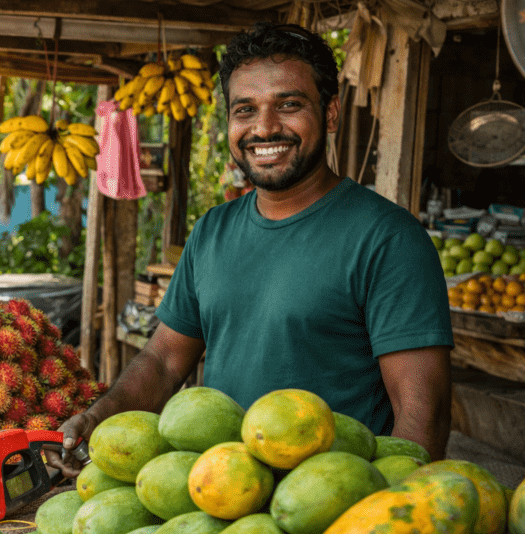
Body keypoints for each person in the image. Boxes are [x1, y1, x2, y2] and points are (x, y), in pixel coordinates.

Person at [56, 22, 453, 473]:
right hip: (225, 495)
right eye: (245, 110)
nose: (264, 128)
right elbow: (165, 360)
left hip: (329, 504)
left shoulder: (388, 239)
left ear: (331, 114)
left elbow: (423, 417)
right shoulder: (212, 230)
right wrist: (100, 417)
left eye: (289, 105)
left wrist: (381, 520)